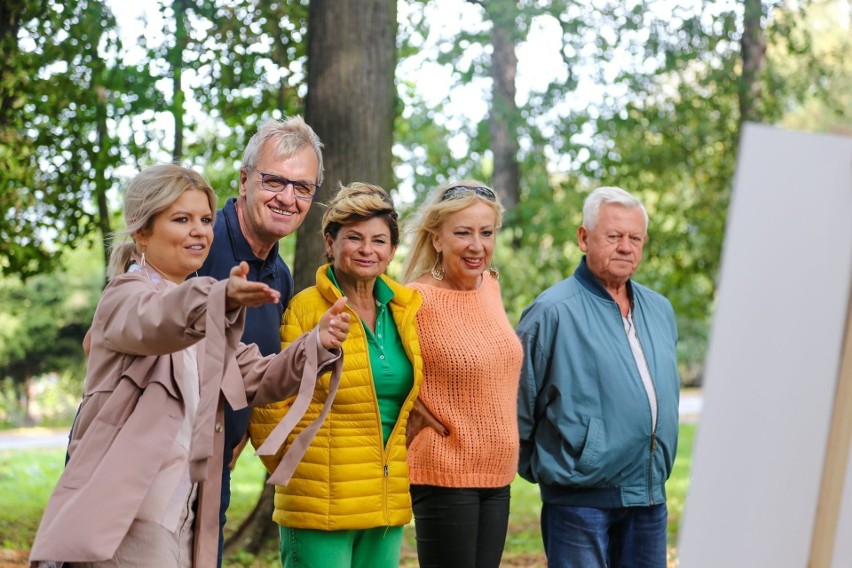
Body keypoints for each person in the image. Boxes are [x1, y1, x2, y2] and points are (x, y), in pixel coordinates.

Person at [29, 164, 350, 568]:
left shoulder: (202, 308)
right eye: (181, 219)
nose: (199, 230)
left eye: (205, 219)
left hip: (186, 514)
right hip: (127, 519)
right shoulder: (125, 296)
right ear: (142, 231)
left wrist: (317, 343)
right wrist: (219, 297)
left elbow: (259, 376)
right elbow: (157, 320)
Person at [248, 182, 424, 568]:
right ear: (331, 242)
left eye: (379, 240)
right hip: (319, 503)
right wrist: (298, 474)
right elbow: (269, 402)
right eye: (354, 238)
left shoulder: (405, 312)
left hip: (383, 502)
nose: (367, 249)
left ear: (392, 251)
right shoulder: (305, 308)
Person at [515, 186, 679, 568]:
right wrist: (558, 470)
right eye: (614, 236)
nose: (626, 247)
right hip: (579, 502)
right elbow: (518, 406)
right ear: (584, 238)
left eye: (635, 238)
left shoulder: (659, 309)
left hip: (650, 497)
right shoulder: (551, 312)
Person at [194, 115, 324, 566]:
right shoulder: (198, 240)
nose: (287, 198)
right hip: (151, 460)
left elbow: (262, 368)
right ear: (245, 179)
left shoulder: (280, 276)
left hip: (213, 470)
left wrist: (240, 429)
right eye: (275, 181)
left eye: (302, 188)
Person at [401, 180, 523, 568]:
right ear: (437, 239)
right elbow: (389, 375)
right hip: (444, 472)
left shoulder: (490, 287)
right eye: (463, 233)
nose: (477, 245)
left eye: (486, 233)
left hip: (498, 471)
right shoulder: (416, 299)